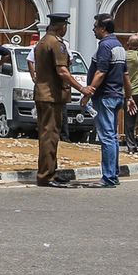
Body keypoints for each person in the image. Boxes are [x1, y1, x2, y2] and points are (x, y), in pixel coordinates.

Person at [33, 13, 87, 187]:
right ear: (60, 26)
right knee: (50, 135)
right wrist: (82, 88)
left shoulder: (42, 42)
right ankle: (46, 175)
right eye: (65, 26)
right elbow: (62, 71)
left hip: (43, 94)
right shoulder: (56, 43)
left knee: (47, 134)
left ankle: (50, 171)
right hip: (51, 95)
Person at [84, 15, 128, 188]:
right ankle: (113, 174)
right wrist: (128, 96)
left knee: (107, 137)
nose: (94, 29)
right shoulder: (119, 46)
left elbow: (100, 73)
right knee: (113, 137)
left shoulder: (105, 45)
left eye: (95, 26)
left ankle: (108, 177)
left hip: (105, 96)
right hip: (116, 95)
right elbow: (125, 75)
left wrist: (87, 93)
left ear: (103, 28)